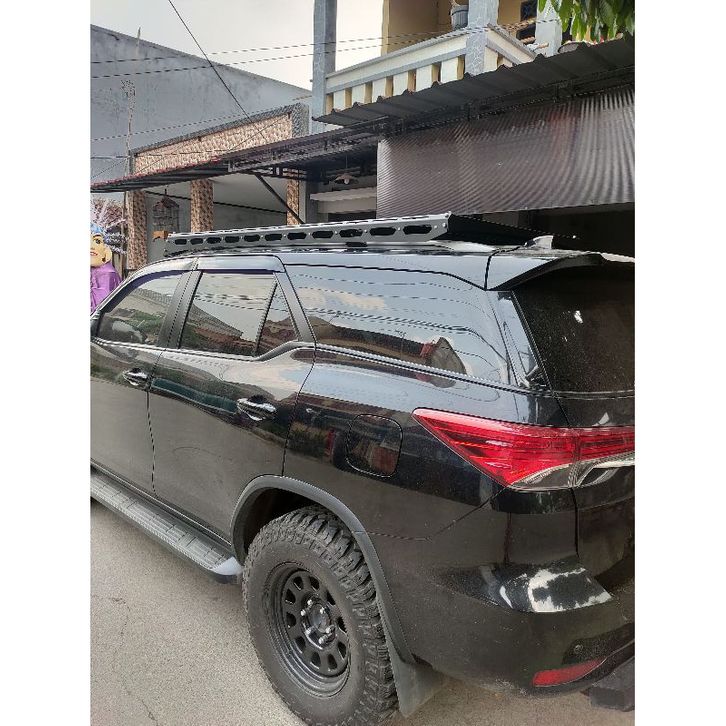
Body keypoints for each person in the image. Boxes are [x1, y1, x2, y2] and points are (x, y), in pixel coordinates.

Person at [90, 223, 122, 313]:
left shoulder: (107, 273)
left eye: (97, 241)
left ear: (105, 249)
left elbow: (102, 307)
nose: (91, 246)